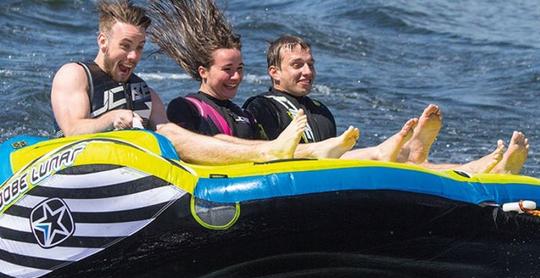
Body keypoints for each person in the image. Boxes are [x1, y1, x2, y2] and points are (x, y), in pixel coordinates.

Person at [149, 0, 419, 162]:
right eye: (227, 69)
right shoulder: (186, 107)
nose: (236, 77)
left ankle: (385, 153)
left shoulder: (241, 113)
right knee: (224, 139)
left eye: (240, 68)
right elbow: (186, 153)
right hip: (215, 188)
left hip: (257, 171)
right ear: (203, 71)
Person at [50, 0, 309, 165]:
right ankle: (268, 153)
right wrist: (112, 118)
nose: (133, 56)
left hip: (133, 169)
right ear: (103, 42)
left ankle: (290, 152)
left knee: (173, 133)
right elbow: (73, 130)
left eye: (140, 47)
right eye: (125, 46)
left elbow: (169, 134)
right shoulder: (76, 74)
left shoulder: (145, 92)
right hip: (79, 168)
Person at [243, 35, 529, 174]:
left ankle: (473, 169)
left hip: (330, 177)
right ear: (274, 72)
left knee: (411, 165)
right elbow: (258, 156)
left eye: (310, 64)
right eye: (297, 65)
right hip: (292, 179)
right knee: (386, 158)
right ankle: (406, 151)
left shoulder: (320, 110)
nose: (307, 71)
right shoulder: (261, 107)